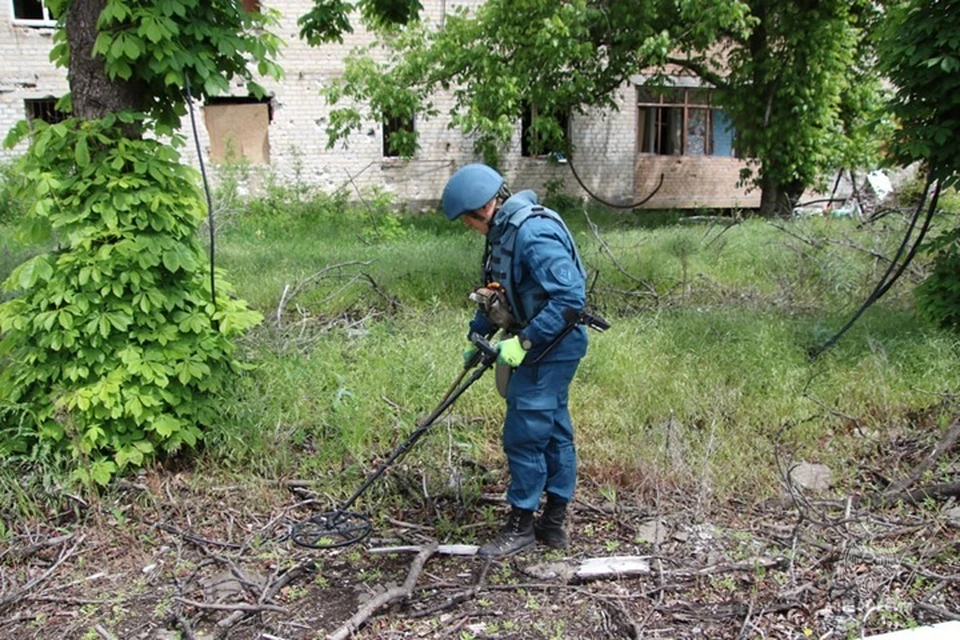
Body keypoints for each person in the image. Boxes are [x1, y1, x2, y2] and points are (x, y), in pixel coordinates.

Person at [440, 163, 589, 558]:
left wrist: (523, 342)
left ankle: (522, 525)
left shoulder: (534, 232)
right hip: (539, 342)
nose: (467, 227)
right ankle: (553, 524)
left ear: (484, 208)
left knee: (524, 434)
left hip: (551, 346)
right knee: (554, 429)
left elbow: (571, 299)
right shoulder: (503, 233)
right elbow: (497, 289)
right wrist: (479, 334)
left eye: (466, 220)